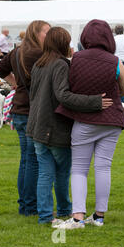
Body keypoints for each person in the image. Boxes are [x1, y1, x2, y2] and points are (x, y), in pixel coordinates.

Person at [26, 27, 113, 225]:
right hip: (53, 129)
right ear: (63, 44)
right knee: (63, 173)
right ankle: (65, 210)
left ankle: (46, 216)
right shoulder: (60, 65)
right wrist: (94, 102)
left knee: (45, 174)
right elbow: (63, 96)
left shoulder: (39, 64)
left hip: (37, 127)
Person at [54, 19, 124, 229]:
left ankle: (78, 217)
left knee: (79, 169)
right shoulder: (115, 61)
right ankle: (99, 217)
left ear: (85, 37)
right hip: (112, 120)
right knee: (103, 167)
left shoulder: (75, 58)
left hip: (85, 119)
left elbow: (71, 87)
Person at [0, 20, 51, 216]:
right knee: (33, 160)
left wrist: (15, 84)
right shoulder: (40, 54)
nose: (49, 36)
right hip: (32, 111)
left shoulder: (17, 51)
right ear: (36, 33)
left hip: (19, 110)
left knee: (26, 160)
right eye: (47, 32)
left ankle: (25, 205)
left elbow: (0, 70)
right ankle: (30, 206)